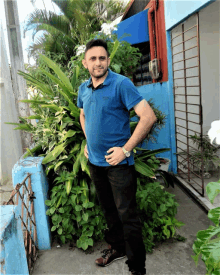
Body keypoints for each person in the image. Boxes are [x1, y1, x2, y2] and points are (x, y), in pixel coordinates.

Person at [77, 38, 157, 275]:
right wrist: (88, 141)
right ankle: (117, 248)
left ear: (108, 61)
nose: (98, 62)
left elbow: (148, 117)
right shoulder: (83, 89)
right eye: (93, 58)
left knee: (128, 216)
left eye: (102, 58)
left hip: (119, 165)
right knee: (109, 210)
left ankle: (137, 268)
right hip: (96, 163)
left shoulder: (121, 84)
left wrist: (126, 149)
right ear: (85, 63)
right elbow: (83, 115)